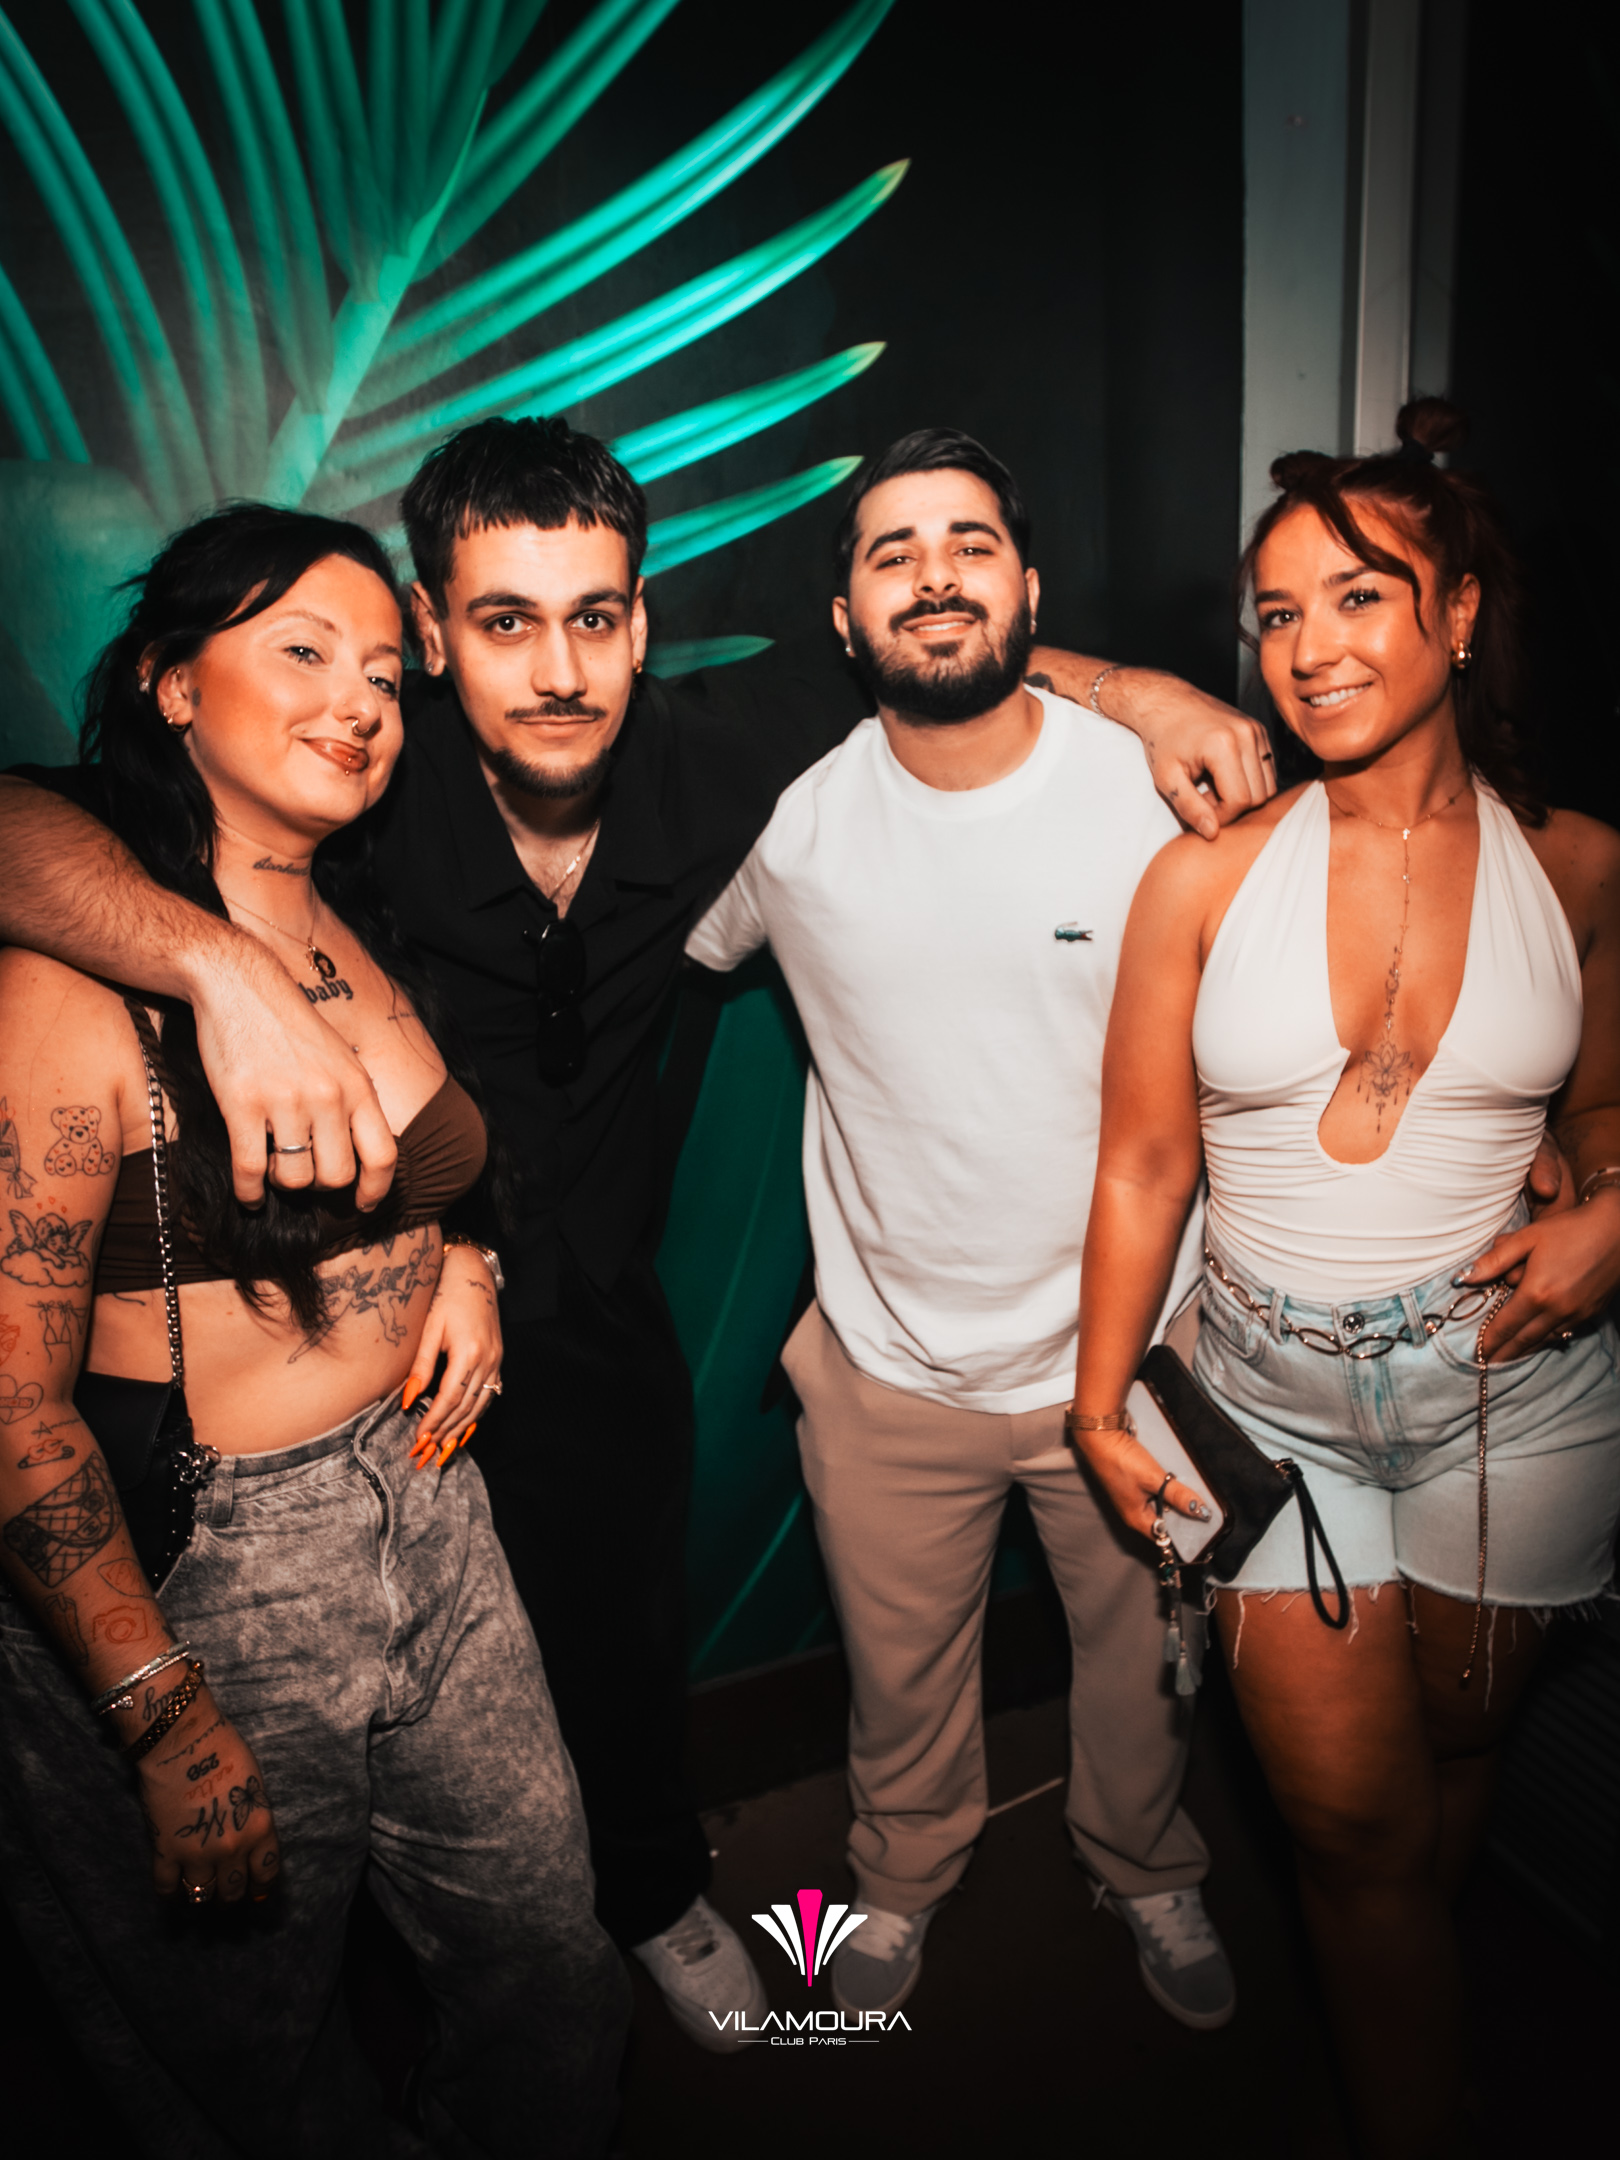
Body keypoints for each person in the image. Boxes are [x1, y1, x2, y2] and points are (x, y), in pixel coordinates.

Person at [0, 416, 1275, 2050]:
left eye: (593, 618)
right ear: (436, 632)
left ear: (640, 622)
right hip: (320, 1382)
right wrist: (217, 970)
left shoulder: (728, 756)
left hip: (592, 1309)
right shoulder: (362, 781)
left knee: (614, 1634)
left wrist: (1146, 693)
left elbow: (939, 641)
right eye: (505, 622)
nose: (557, 671)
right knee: (280, 1890)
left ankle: (658, 1893)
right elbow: (30, 828)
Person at [0, 505, 628, 2159]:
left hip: (429, 1499)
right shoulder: (79, 975)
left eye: (382, 674)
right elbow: (9, 1406)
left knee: (551, 1972)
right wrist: (158, 1709)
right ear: (172, 683)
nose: (358, 698)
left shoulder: (358, 910)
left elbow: (422, 1162)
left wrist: (462, 1256)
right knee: (247, 2065)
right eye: (301, 651)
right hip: (212, 1568)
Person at [1069, 400, 1620, 2157]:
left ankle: (1412, 2023)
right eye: (1277, 613)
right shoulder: (1197, 881)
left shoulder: (1581, 865)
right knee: (1354, 1836)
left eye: (1358, 597)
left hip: (1517, 1392)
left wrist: (1616, 1208)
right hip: (1265, 1404)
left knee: (1452, 1758)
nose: (1307, 648)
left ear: (1458, 614)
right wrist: (1096, 1402)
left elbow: (1605, 1113)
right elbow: (1143, 1165)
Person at [686, 429, 1239, 2030]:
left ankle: (1144, 1863)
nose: (935, 576)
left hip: (1133, 1357)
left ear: (1030, 590)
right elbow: (687, 946)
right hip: (887, 1368)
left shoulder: (1156, 789)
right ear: (845, 619)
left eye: (970, 544)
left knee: (1144, 1666)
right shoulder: (787, 824)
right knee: (898, 1674)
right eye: (895, 553)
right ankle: (904, 1872)